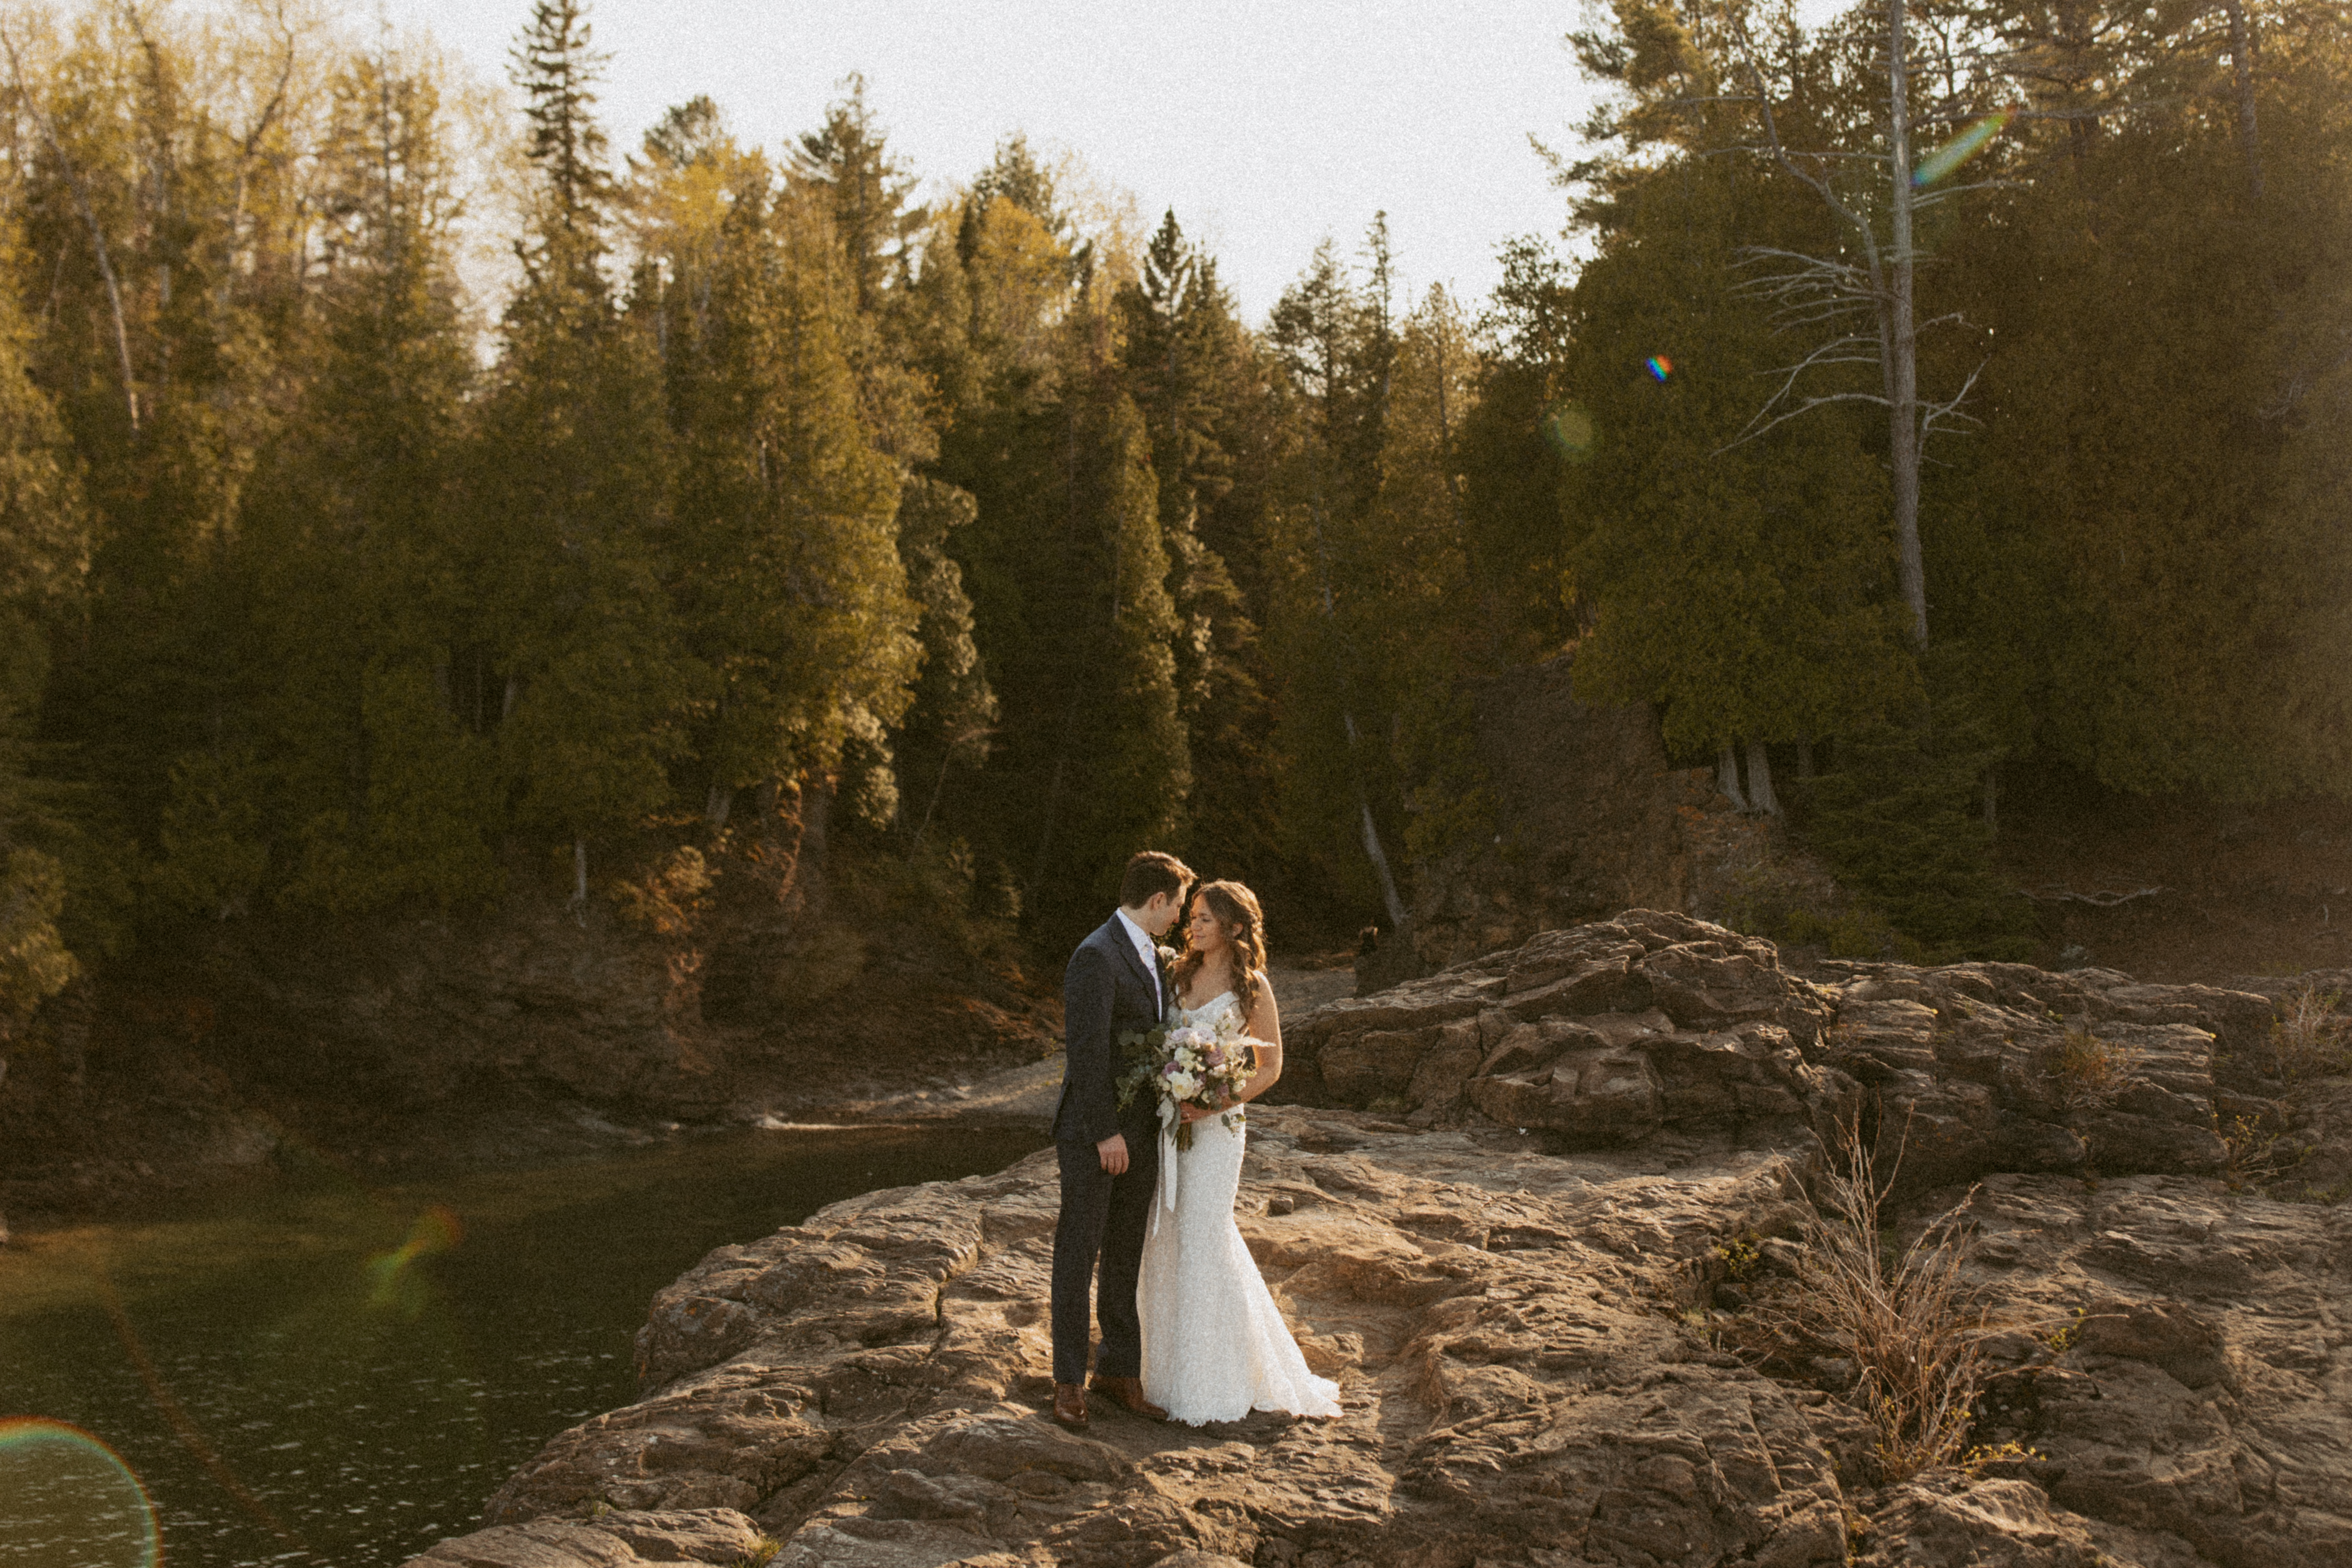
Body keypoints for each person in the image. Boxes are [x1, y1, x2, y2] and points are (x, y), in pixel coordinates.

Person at [1138, 879, 1343, 1425]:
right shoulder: (1177, 973)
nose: (1194, 926)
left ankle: (1218, 1377)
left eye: (1205, 918)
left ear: (1234, 927)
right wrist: (1173, 1088)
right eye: (1193, 916)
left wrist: (1214, 1101)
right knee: (1167, 1232)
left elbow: (1271, 1067)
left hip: (1218, 1130)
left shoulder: (1253, 986)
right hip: (1170, 1124)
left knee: (1205, 1233)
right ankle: (1165, 1373)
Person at [1047, 849, 1192, 1431]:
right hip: (1095, 1133)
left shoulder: (1155, 955)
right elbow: (1085, 1053)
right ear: (1157, 900)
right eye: (1178, 905)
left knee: (1126, 1252)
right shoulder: (1096, 954)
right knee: (1078, 1252)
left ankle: (1119, 1371)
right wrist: (1105, 1131)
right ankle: (1067, 1382)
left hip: (1143, 1130)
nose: (1180, 917)